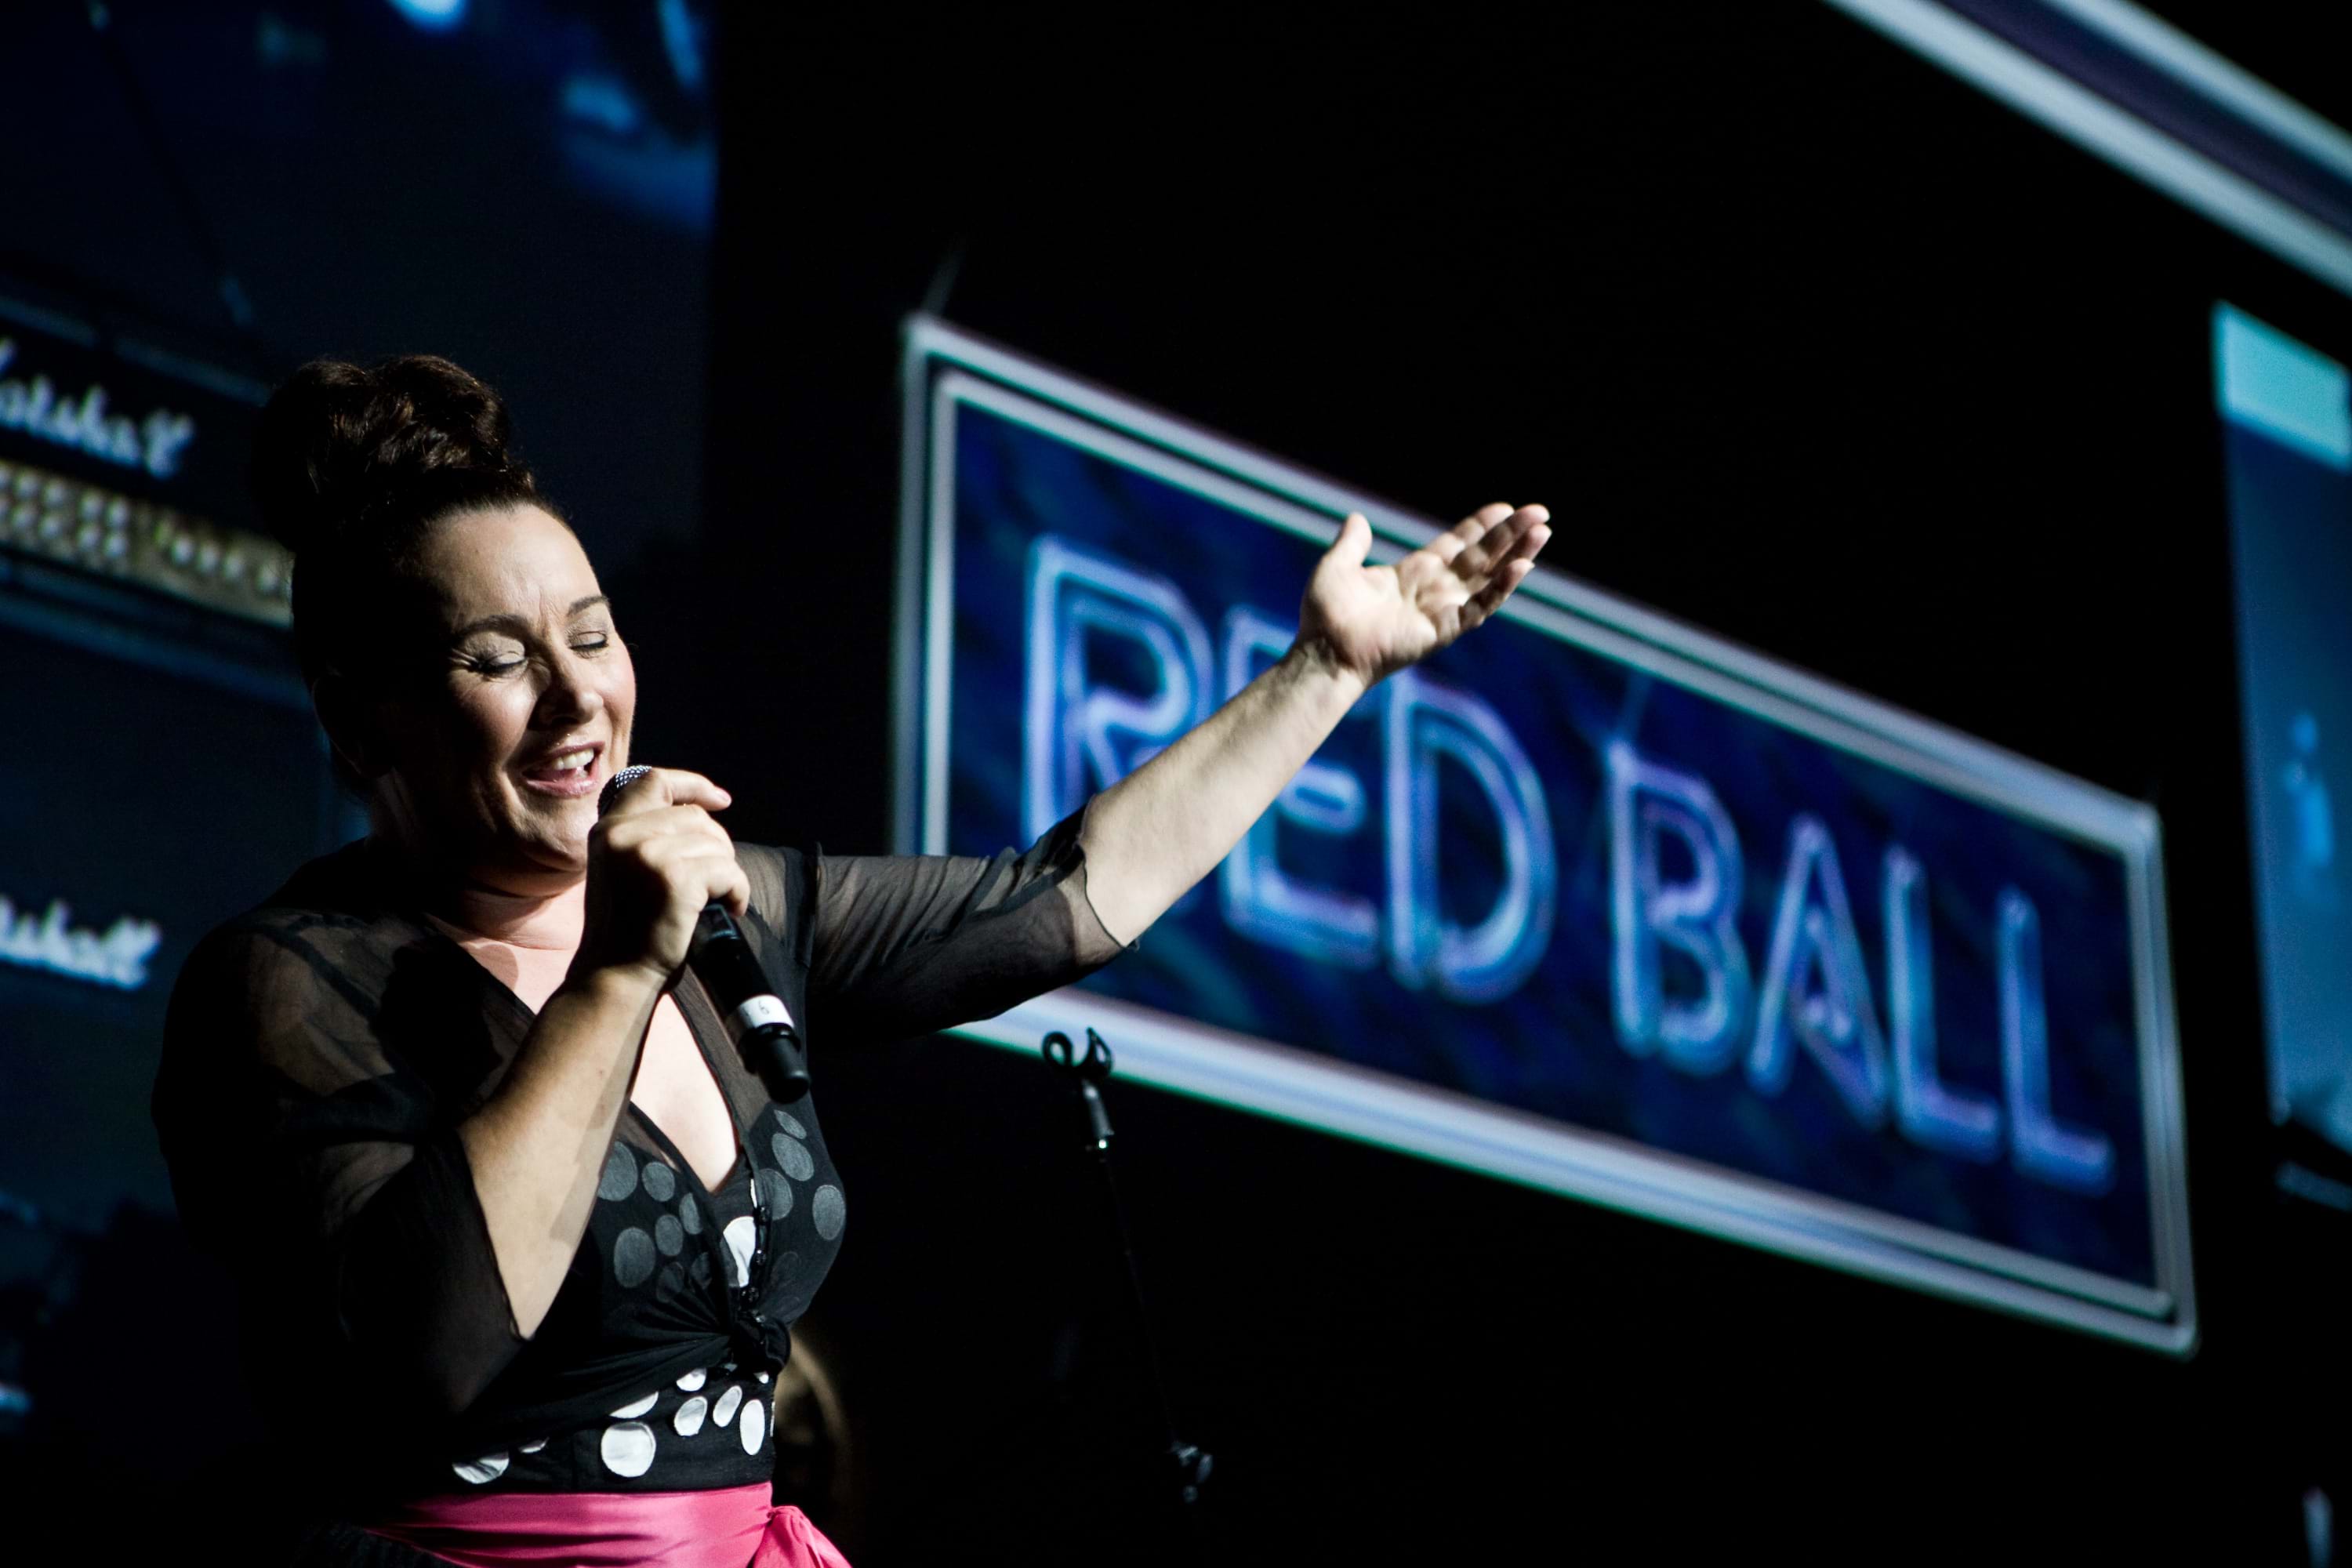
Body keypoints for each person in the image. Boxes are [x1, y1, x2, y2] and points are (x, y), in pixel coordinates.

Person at [153, 354, 1550, 1566]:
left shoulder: (738, 908)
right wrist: (615, 978)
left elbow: (1060, 898)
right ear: (363, 724)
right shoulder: (289, 985)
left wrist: (1326, 670)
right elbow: (428, 1353)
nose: (579, 696)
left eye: (592, 635)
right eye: (495, 659)